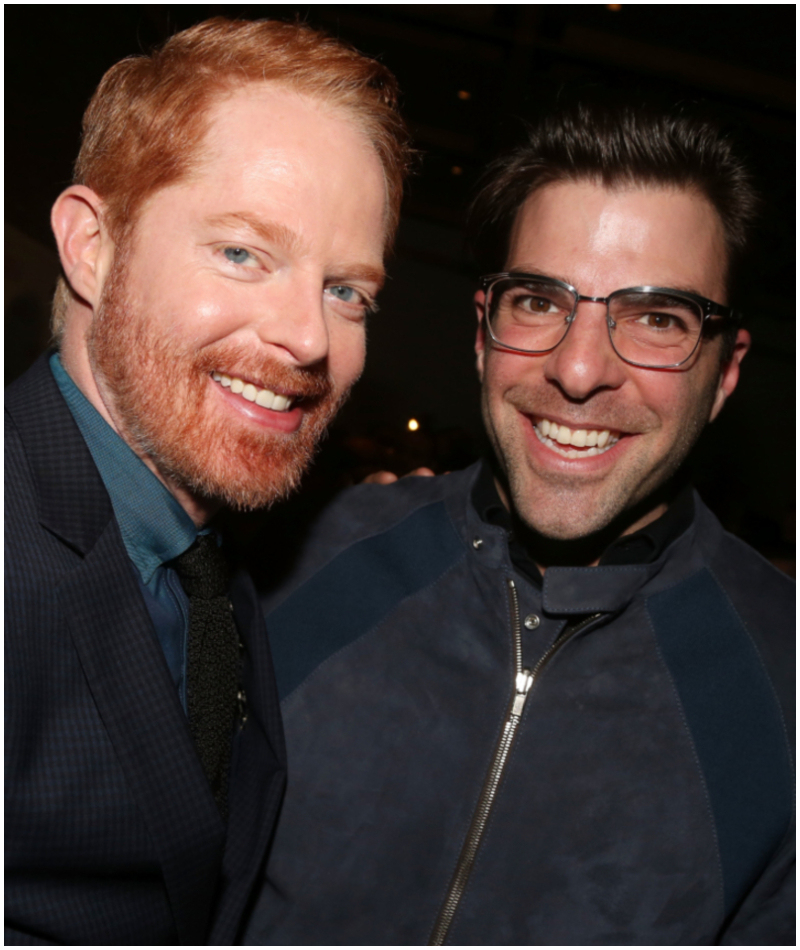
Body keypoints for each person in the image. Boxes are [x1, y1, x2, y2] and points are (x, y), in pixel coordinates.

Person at [242, 100, 794, 945]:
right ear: (483, 332)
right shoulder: (296, 559)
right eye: (539, 301)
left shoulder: (782, 691)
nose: (578, 369)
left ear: (725, 375)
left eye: (656, 319)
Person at [5, 17, 411, 946]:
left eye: (347, 290)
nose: (310, 339)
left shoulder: (208, 559)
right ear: (92, 247)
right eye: (243, 253)